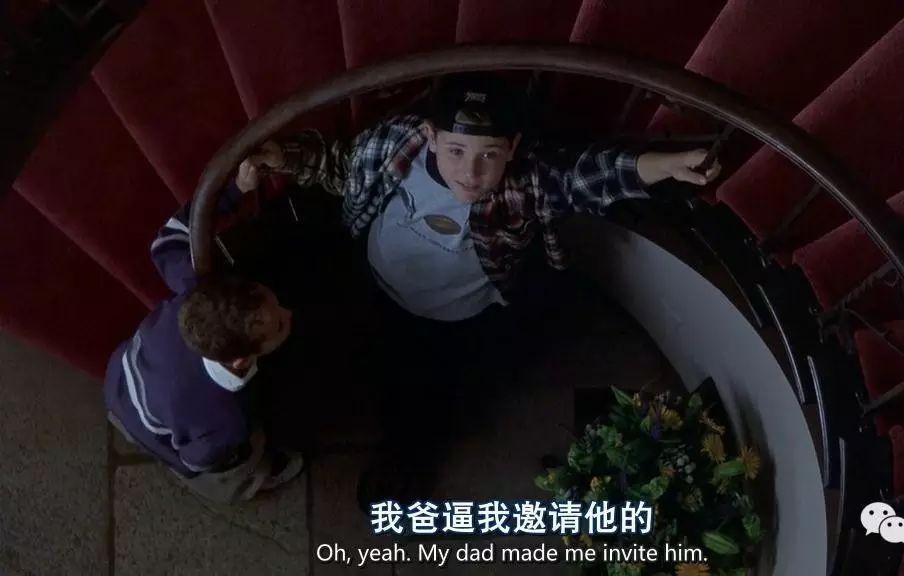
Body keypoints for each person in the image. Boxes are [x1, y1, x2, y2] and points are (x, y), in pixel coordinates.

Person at [241, 73, 722, 509]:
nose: (470, 172)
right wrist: (282, 158)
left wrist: (665, 164)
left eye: (488, 154)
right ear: (431, 136)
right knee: (379, 351)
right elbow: (341, 165)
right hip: (380, 285)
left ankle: (405, 461)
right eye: (455, 151)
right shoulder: (397, 146)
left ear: (512, 148)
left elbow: (584, 178)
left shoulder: (523, 183)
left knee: (430, 391)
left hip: (458, 319)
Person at [103, 154, 304, 504]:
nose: (289, 312)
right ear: (241, 360)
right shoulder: (223, 420)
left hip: (119, 380)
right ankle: (253, 480)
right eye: (279, 326)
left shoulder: (194, 288)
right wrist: (232, 457)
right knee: (233, 465)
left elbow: (169, 238)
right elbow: (198, 458)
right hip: (172, 428)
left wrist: (236, 189)